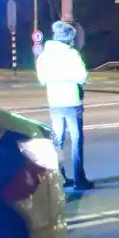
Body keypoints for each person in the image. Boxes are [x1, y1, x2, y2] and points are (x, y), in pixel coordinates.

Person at [36, 21, 94, 190]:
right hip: (71, 101)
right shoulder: (71, 54)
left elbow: (42, 79)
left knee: (57, 141)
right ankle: (79, 179)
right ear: (69, 38)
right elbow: (82, 76)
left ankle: (59, 178)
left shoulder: (44, 55)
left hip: (54, 101)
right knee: (76, 140)